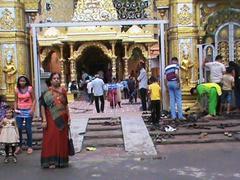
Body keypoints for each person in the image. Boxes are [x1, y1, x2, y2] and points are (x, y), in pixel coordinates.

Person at [40, 72, 71, 169]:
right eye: (54, 78)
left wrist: (69, 117)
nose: (56, 80)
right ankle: (51, 161)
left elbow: (66, 105)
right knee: (51, 139)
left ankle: (61, 161)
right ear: (50, 80)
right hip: (51, 118)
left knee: (61, 139)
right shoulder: (46, 93)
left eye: (58, 78)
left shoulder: (63, 91)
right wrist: (44, 120)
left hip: (63, 118)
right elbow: (42, 106)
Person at [14, 75, 36, 155]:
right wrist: (15, 109)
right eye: (20, 81)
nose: (22, 82)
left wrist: (32, 110)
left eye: (23, 81)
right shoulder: (16, 90)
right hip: (19, 111)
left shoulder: (30, 89)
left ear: (26, 81)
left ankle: (29, 146)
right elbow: (15, 100)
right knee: (19, 128)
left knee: (28, 128)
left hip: (28, 111)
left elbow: (34, 100)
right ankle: (19, 146)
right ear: (18, 82)